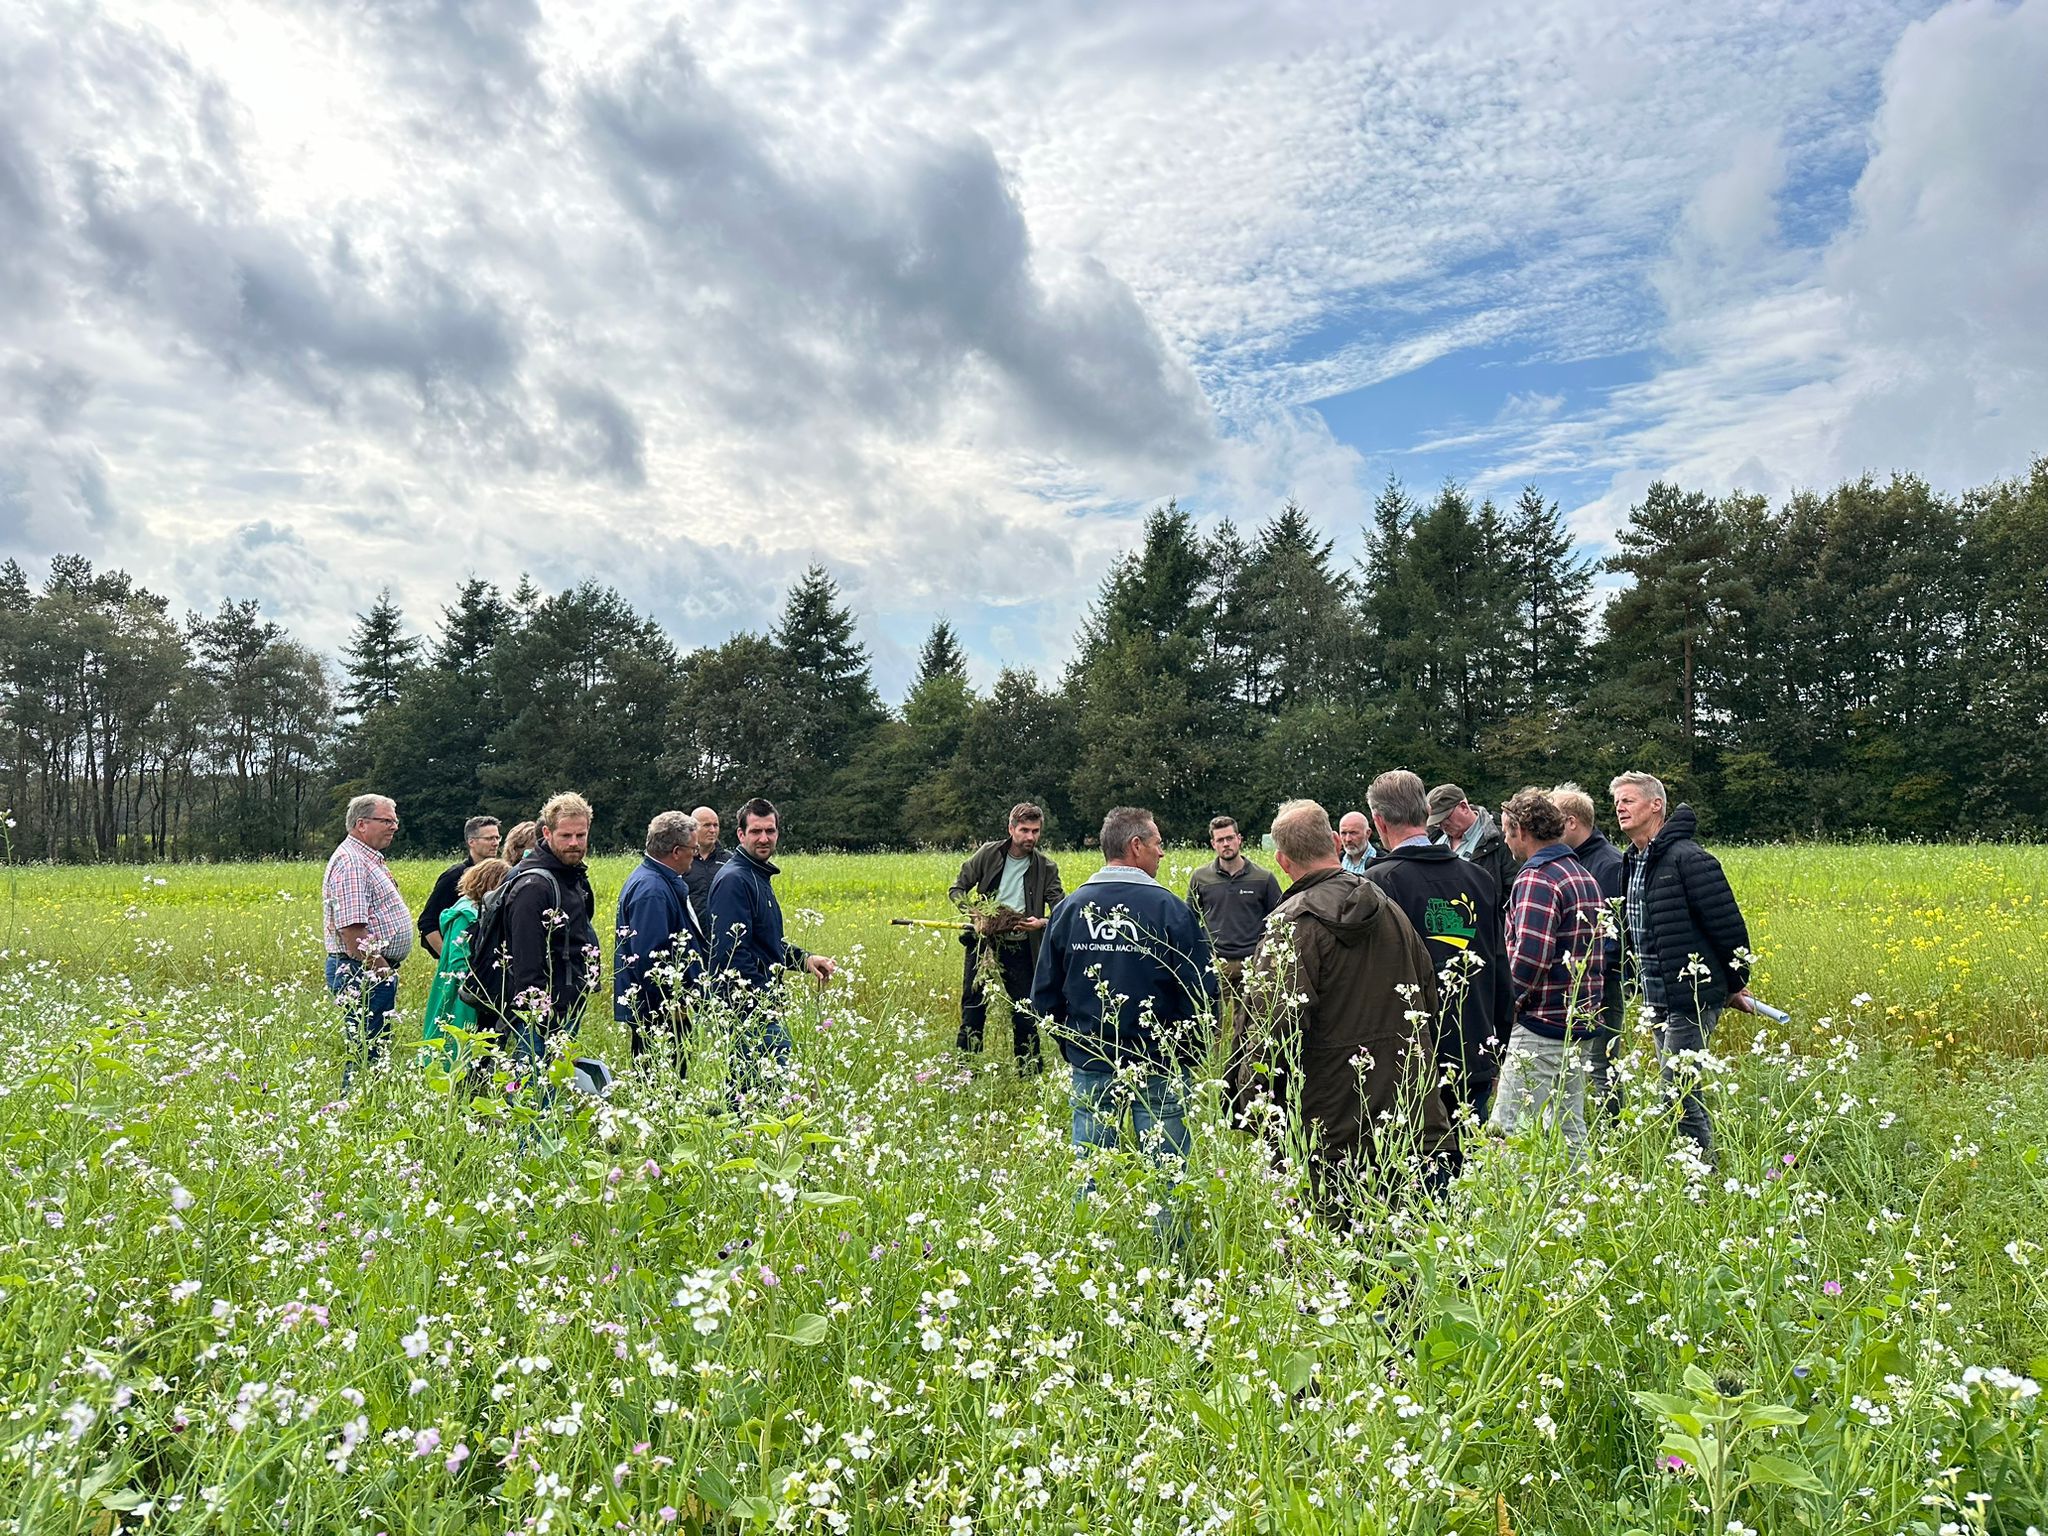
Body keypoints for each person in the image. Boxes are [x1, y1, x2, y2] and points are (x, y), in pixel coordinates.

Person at [1238, 799, 1453, 1205]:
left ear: (1283, 862)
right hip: (1409, 1117)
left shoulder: (1291, 928)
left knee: (1331, 1253)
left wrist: (1256, 1112)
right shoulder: (1390, 910)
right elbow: (1429, 1000)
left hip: (1330, 1129)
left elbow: (1270, 1036)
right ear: (1336, 842)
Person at [1030, 807, 1218, 1242]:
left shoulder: (1070, 908)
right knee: (1167, 1172)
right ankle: (1169, 1255)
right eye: (1157, 844)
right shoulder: (1170, 909)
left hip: (1092, 1064)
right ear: (1135, 847)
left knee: (1092, 1169)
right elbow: (1201, 992)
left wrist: (1078, 1049)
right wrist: (1183, 1054)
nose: (1162, 853)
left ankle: (1094, 1255)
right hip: (1159, 1065)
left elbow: (1045, 995)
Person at [1612, 771, 1753, 1165]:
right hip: (1656, 993)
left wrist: (1734, 984)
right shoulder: (1633, 860)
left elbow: (1728, 928)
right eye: (1618, 802)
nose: (1620, 808)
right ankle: (1693, 1164)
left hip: (1691, 994)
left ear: (1656, 805)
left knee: (1677, 1089)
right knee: (1678, 1085)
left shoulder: (1688, 858)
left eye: (1629, 800)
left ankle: (1699, 1172)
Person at [1363, 769, 1512, 1123]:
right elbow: (1498, 963)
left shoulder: (1378, 884)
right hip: (1473, 1045)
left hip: (1409, 1054)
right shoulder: (1478, 878)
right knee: (1464, 1163)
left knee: (1418, 1165)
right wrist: (1498, 1044)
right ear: (1425, 814)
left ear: (1379, 821)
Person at [1486, 789, 1608, 1159]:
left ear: (1522, 831)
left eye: (1507, 833)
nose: (1506, 842)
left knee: (1506, 1132)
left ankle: (1504, 1211)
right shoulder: (1582, 874)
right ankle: (1585, 1207)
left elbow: (1529, 959)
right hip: (1576, 1023)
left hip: (1540, 1025)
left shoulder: (1538, 877)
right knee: (1568, 1126)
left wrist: (1507, 1012)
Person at [706, 797, 837, 1103]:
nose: (763, 838)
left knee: (763, 1090)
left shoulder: (756, 875)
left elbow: (764, 943)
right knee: (753, 1094)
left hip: (762, 1003)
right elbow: (732, 953)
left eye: (770, 830)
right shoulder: (734, 880)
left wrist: (804, 959)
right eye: (755, 831)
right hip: (746, 1007)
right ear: (741, 835)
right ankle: (743, 1144)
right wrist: (764, 1000)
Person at [474, 792, 602, 1071]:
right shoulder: (534, 884)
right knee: (534, 1090)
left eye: (581, 835)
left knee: (552, 1084)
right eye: (566, 835)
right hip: (542, 1012)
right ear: (547, 832)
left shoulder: (570, 874)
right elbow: (526, 958)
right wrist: (540, 1015)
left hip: (566, 1000)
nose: (575, 843)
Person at [949, 802, 1066, 1074]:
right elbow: (957, 889)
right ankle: (967, 1071)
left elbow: (1061, 908)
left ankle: (1029, 1072)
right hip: (984, 943)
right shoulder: (989, 854)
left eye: (1035, 831)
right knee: (973, 1007)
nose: (1030, 837)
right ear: (1011, 829)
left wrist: (1041, 923)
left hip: (1021, 947)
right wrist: (975, 914)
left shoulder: (1046, 867)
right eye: (1024, 830)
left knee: (1024, 1012)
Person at [322, 794, 413, 1090]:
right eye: (387, 821)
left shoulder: (365, 858)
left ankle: (367, 1104)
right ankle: (357, 1107)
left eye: (395, 820)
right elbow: (352, 931)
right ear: (362, 824)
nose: (394, 827)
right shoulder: (351, 862)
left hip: (367, 970)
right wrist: (381, 969)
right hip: (361, 970)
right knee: (367, 1049)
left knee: (374, 1046)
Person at [1552, 781, 1626, 1120]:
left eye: (1553, 821)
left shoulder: (1608, 864)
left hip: (1600, 981)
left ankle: (1613, 1127)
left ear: (1571, 822)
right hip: (1572, 981)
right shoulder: (1570, 861)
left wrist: (1589, 969)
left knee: (1601, 1063)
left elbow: (1615, 934)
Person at [614, 810, 709, 1071]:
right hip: (659, 1013)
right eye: (694, 848)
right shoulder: (652, 891)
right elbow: (651, 959)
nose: (697, 854)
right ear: (676, 851)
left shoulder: (657, 881)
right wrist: (673, 1005)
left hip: (660, 1010)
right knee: (664, 1084)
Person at [1185, 815, 1283, 1034]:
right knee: (1215, 1027)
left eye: (1229, 838)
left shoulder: (1263, 878)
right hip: (1216, 964)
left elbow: (1277, 920)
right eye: (1220, 840)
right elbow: (1190, 919)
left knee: (1251, 1026)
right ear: (1213, 844)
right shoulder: (1200, 878)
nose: (1225, 844)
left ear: (1239, 839)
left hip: (1253, 963)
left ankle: (1244, 1067)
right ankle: (1219, 1067)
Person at [421, 856, 511, 1066]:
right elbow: (458, 958)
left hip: (472, 986)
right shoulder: (464, 913)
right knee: (456, 1041)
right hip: (461, 989)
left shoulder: (479, 909)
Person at [417, 815, 503, 958]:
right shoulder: (454, 877)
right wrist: (449, 958)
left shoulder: (501, 874)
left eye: (497, 838)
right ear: (471, 842)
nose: (495, 843)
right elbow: (427, 922)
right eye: (489, 838)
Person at [1427, 784, 1520, 907]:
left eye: (1445, 818)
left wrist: (1492, 923)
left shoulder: (1500, 840)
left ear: (1464, 807)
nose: (1442, 825)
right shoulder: (1433, 840)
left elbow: (1512, 893)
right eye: (1437, 822)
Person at [682, 805, 731, 911]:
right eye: (707, 825)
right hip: (689, 926)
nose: (712, 830)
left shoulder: (730, 861)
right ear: (692, 828)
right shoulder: (681, 860)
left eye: (716, 825)